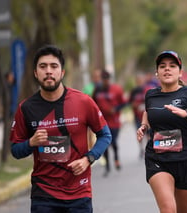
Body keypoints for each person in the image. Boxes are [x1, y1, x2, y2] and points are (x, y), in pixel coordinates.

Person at [9, 44, 112, 213]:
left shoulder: (83, 101)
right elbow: (15, 150)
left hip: (79, 192)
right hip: (44, 194)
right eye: (43, 67)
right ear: (36, 73)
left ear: (62, 72)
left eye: (54, 66)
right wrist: (31, 142)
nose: (48, 71)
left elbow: (105, 135)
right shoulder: (25, 108)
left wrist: (88, 159)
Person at [137, 50, 187, 213]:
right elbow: (148, 112)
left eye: (172, 66)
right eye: (162, 66)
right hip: (158, 159)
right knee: (168, 210)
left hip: (186, 160)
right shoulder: (151, 95)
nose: (167, 69)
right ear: (156, 73)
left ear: (180, 72)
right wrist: (144, 125)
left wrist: (186, 114)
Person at [93, 70, 127, 177]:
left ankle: (116, 158)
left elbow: (124, 103)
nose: (105, 82)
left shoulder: (116, 89)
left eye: (107, 79)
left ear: (109, 79)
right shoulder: (97, 90)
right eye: (103, 79)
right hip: (102, 122)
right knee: (104, 144)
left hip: (114, 122)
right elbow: (92, 103)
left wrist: (115, 109)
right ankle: (107, 166)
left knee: (114, 142)